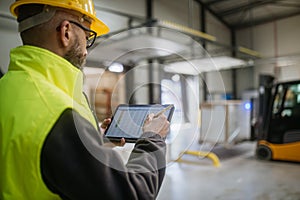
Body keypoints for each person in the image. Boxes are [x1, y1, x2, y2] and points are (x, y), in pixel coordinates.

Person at [0, 0, 170, 199]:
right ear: (66, 32)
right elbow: (133, 194)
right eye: (88, 36)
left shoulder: (7, 86)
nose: (87, 49)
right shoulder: (59, 117)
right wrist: (152, 138)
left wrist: (93, 140)